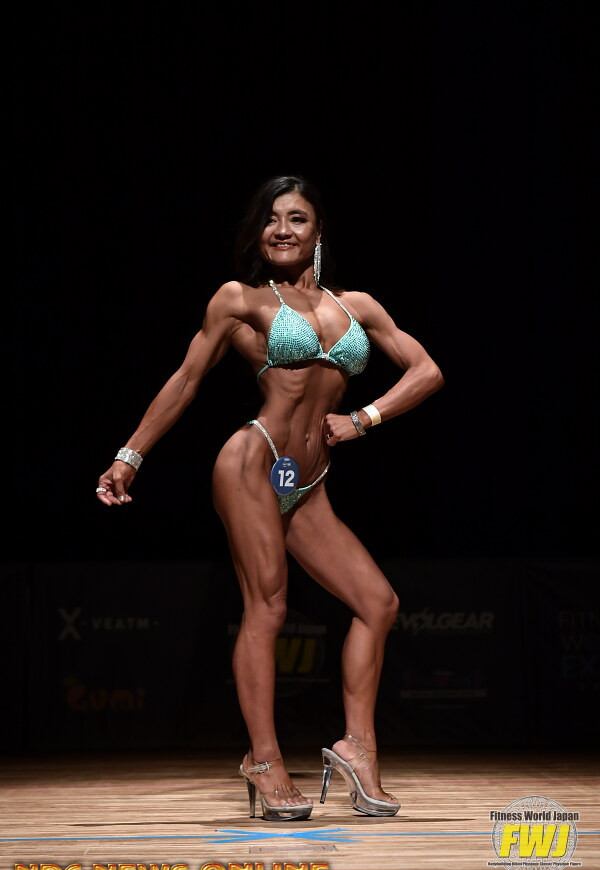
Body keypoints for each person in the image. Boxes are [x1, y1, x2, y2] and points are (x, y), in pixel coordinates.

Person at [96, 174, 444, 821]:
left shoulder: (358, 306)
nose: (282, 229)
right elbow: (186, 379)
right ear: (258, 234)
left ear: (318, 231)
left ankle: (358, 750)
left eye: (296, 218)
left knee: (378, 603)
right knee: (269, 606)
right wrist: (129, 456)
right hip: (253, 463)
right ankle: (263, 759)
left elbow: (427, 371)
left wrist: (364, 418)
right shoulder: (240, 299)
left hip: (306, 485)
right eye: (271, 219)